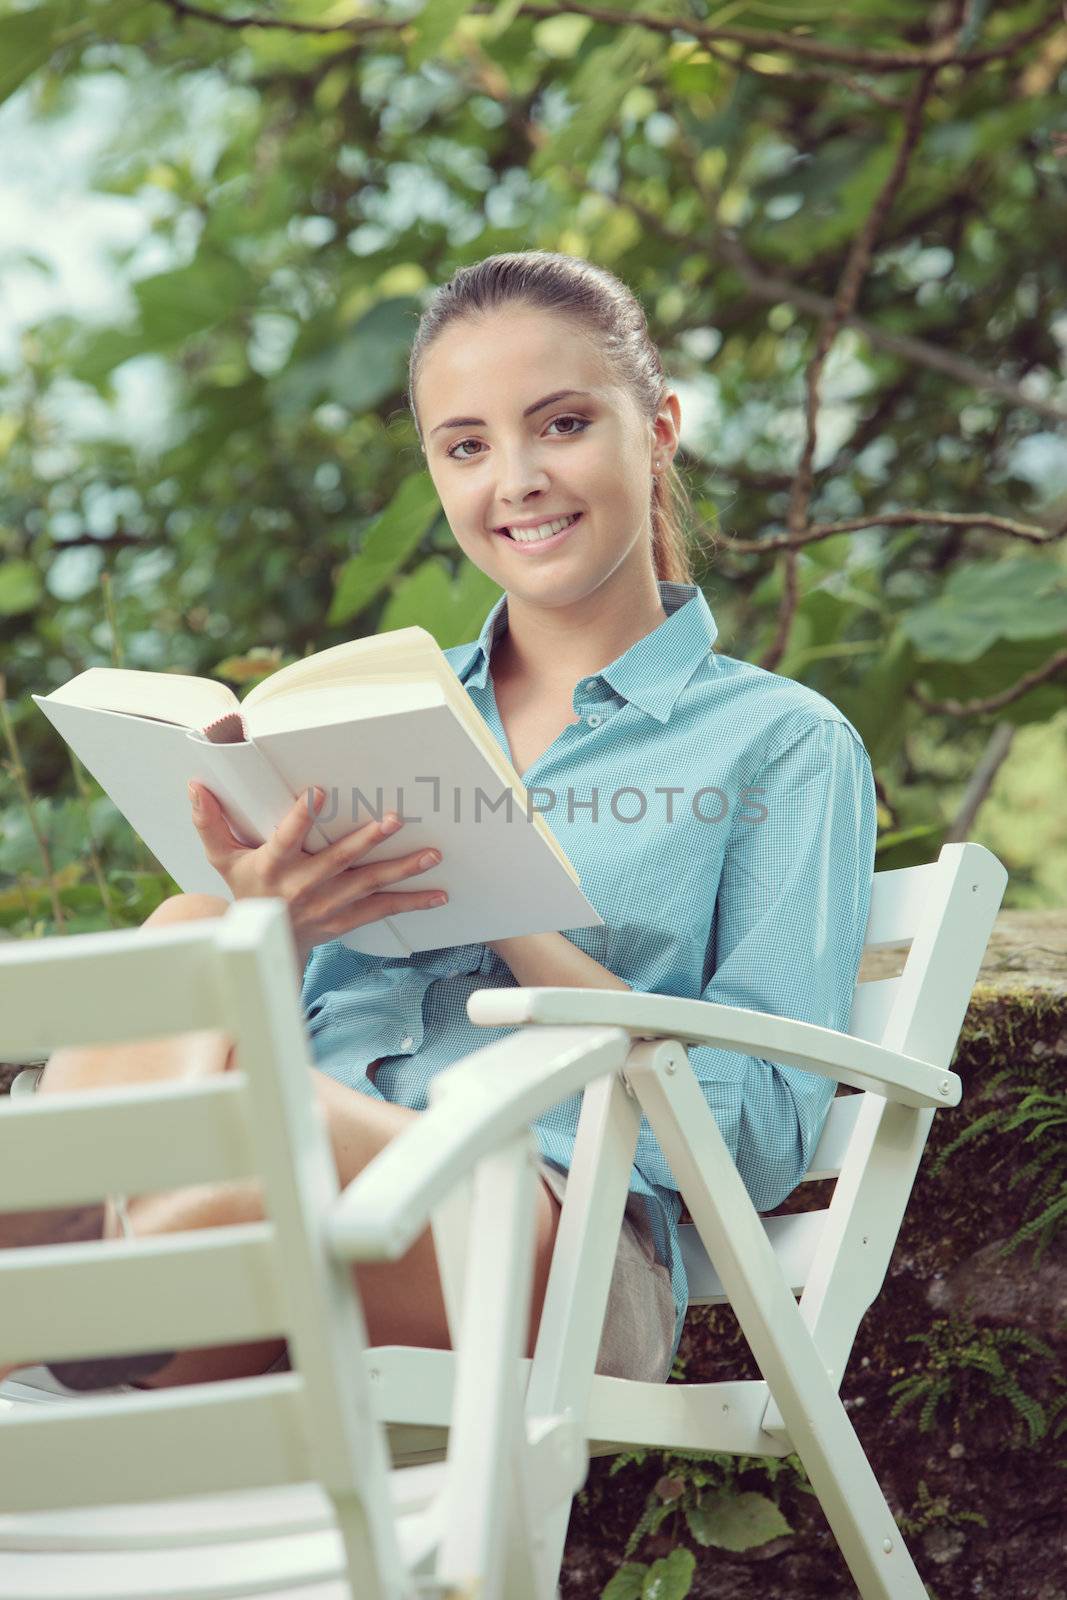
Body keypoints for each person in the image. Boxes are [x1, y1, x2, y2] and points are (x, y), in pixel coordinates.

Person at [2, 250, 877, 1395]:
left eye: (559, 423)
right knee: (197, 937)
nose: (515, 479)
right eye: (465, 446)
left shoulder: (778, 743)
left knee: (262, 1149)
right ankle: (78, 1263)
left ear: (657, 427)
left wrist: (505, 899)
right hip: (257, 1217)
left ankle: (57, 1258)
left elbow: (757, 1134)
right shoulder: (366, 717)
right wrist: (277, 926)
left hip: (550, 1249)